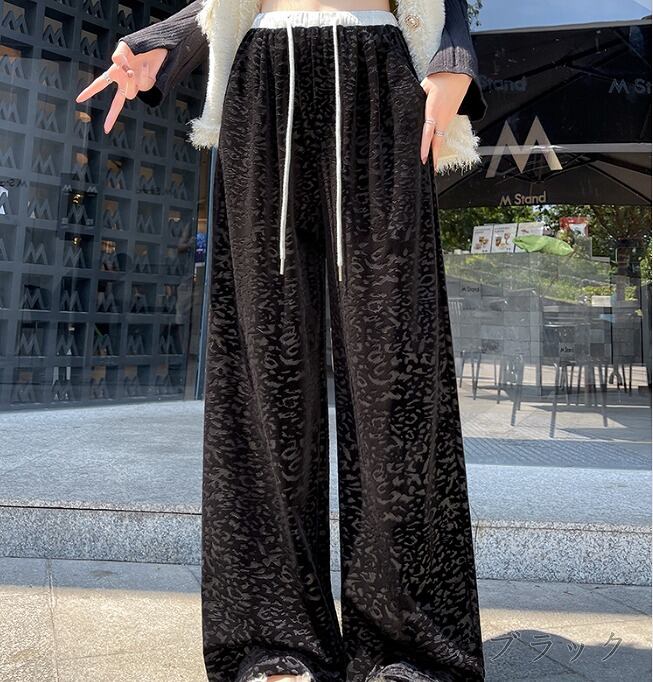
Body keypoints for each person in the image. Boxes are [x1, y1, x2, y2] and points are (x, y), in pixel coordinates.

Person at [76, 0, 487, 680]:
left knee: (396, 374)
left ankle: (409, 648)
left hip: (378, 74)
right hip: (264, 79)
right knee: (264, 372)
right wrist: (163, 44)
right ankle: (277, 639)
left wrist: (453, 59)